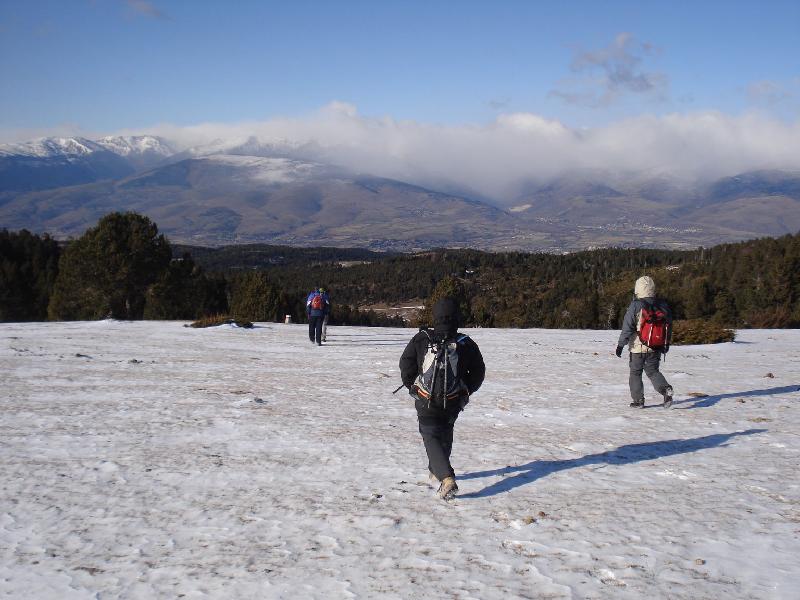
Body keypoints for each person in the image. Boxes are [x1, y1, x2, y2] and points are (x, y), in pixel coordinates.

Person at [399, 297, 485, 500]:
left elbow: (406, 364)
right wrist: (467, 390)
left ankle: (446, 478)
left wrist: (412, 385)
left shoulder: (422, 338)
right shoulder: (465, 343)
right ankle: (436, 469)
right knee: (446, 432)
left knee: (430, 435)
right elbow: (479, 371)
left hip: (426, 398)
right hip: (454, 399)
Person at [615, 275, 674, 408]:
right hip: (656, 346)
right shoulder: (663, 305)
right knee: (653, 371)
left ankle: (638, 401)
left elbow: (627, 326)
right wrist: (666, 343)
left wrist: (620, 345)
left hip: (638, 347)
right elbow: (668, 326)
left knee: (635, 373)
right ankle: (665, 389)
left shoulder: (636, 305)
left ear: (638, 289)